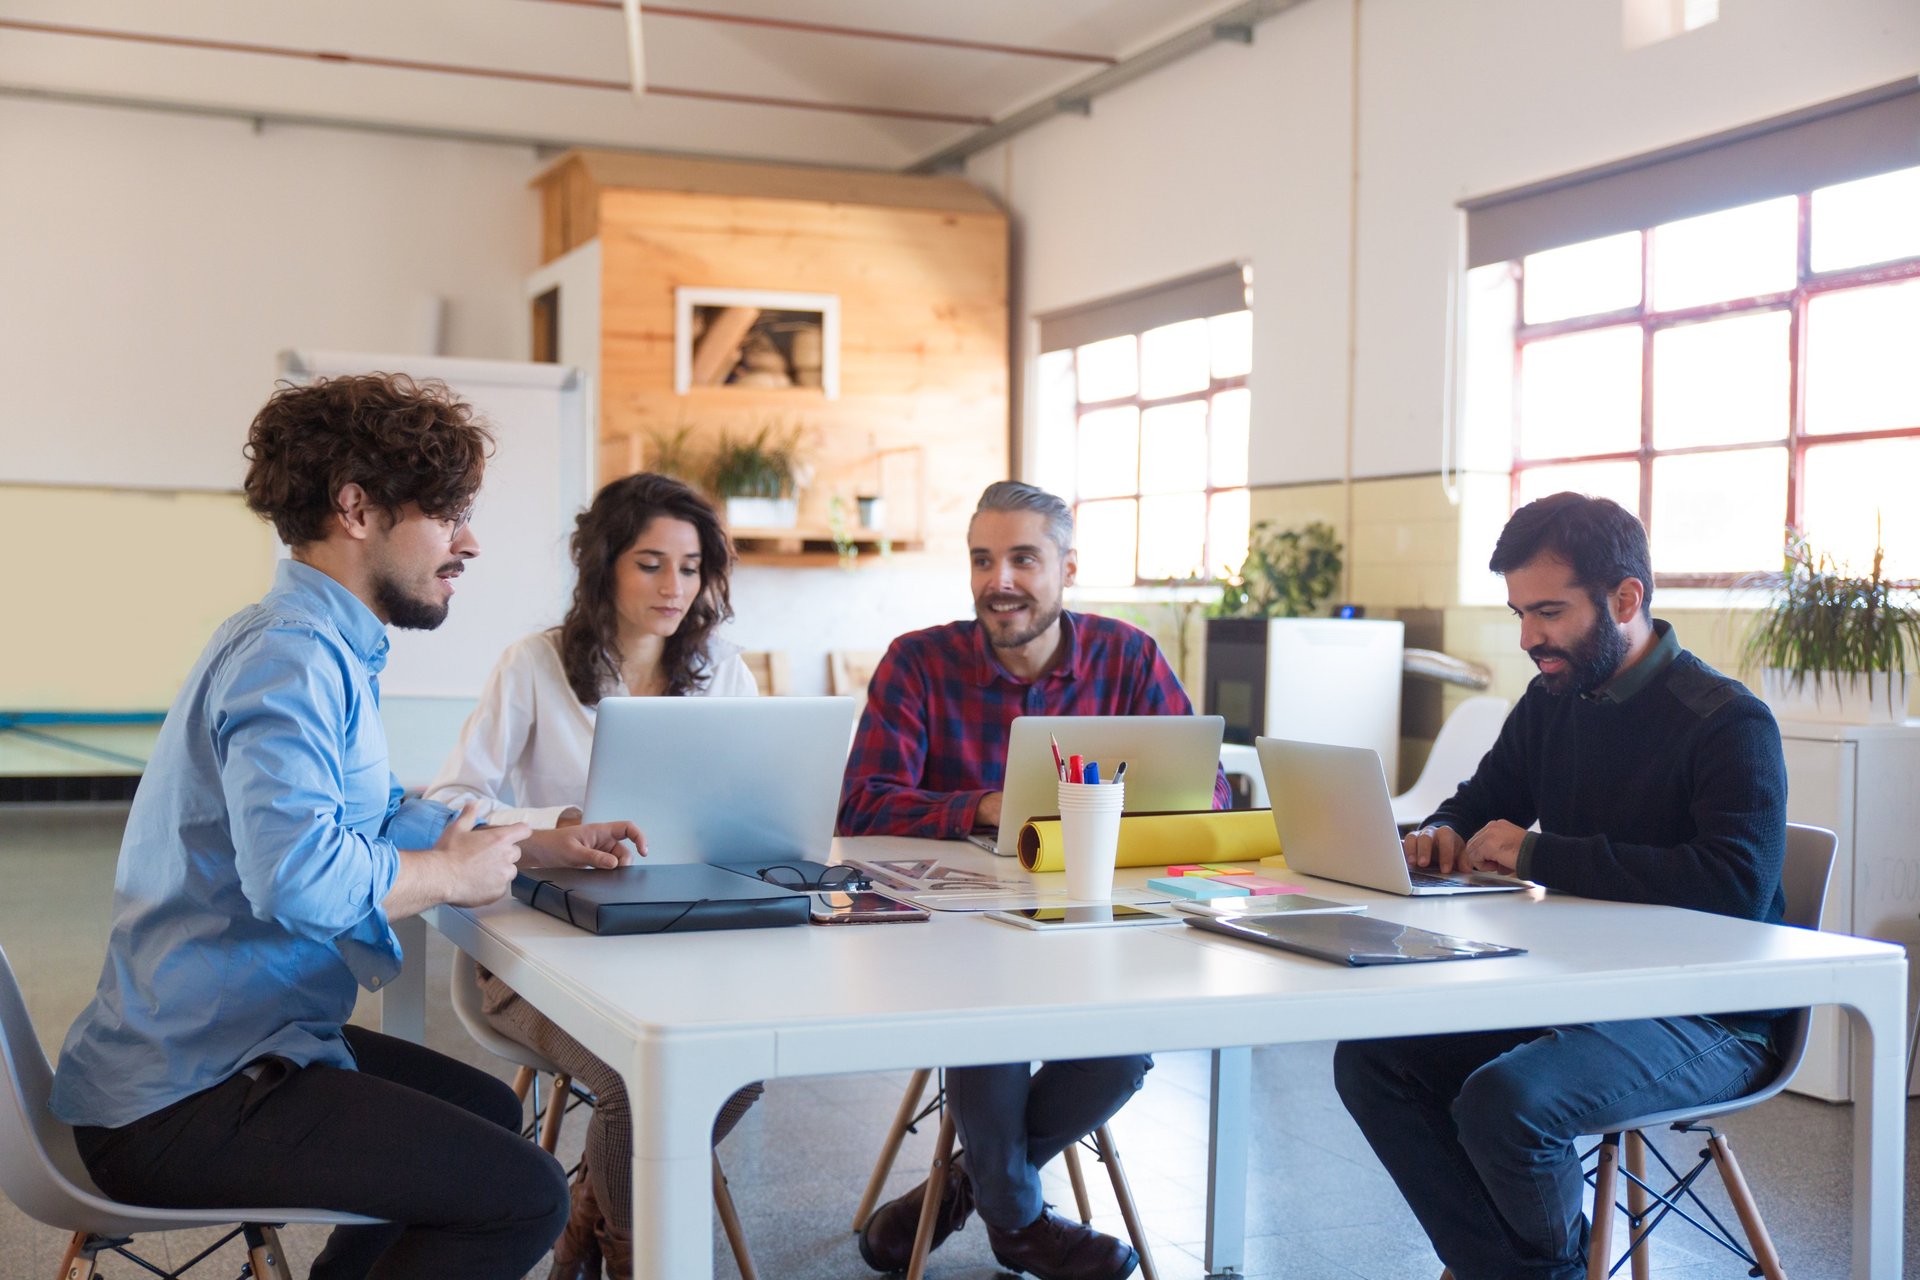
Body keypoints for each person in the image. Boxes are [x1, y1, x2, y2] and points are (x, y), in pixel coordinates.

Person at [50, 374, 645, 1279]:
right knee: (525, 1196)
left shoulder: (313, 640)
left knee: (490, 1114)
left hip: (232, 1047)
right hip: (184, 1094)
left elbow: (377, 813)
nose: (469, 542)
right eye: (448, 514)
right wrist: (449, 876)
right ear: (357, 509)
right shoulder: (290, 656)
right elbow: (299, 876)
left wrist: (530, 845)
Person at [1332, 492, 1789, 1280]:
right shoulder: (1555, 698)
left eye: (1548, 612)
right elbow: (1480, 802)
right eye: (1520, 613)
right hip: (1576, 989)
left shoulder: (1727, 722)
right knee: (1374, 1062)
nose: (1528, 638)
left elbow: (1733, 887)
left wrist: (1541, 855)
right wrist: (1440, 832)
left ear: (1626, 599)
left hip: (1711, 1013)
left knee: (1509, 1104)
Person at [842, 481, 1228, 1280]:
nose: (1000, 581)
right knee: (991, 1023)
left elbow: (1208, 794)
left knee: (1121, 1056)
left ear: (1067, 569)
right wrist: (984, 806)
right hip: (954, 939)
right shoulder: (918, 661)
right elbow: (861, 801)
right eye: (983, 560)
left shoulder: (1127, 658)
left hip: (1090, 930)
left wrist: (1111, 812)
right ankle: (1018, 1223)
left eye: (1023, 559)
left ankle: (960, 1190)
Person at [423, 471, 761, 1280]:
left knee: (744, 1069)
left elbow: (753, 806)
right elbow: (448, 803)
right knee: (629, 1081)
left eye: (690, 567)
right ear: (604, 564)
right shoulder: (534, 665)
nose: (674, 586)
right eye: (651, 563)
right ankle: (634, 1255)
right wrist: (557, 825)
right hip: (540, 945)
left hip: (680, 942)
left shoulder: (724, 671)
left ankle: (590, 1208)